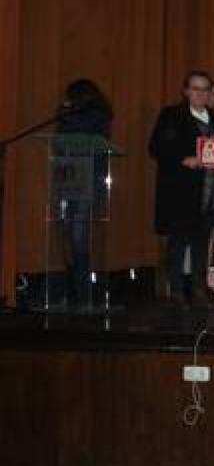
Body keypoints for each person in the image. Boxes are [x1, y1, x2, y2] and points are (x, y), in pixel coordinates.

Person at [149, 72, 214, 306]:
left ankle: (199, 289)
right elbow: (156, 147)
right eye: (196, 88)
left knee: (203, 243)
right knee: (178, 243)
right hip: (181, 190)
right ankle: (177, 291)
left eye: (205, 89)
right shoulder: (171, 115)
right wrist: (184, 159)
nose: (201, 93)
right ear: (186, 91)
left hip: (208, 190)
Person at [55, 78, 114, 306]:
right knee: (67, 236)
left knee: (80, 237)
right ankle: (74, 288)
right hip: (67, 178)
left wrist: (67, 114)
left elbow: (85, 133)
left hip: (88, 180)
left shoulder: (99, 114)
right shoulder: (65, 113)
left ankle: (83, 291)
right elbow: (59, 139)